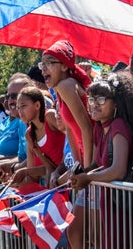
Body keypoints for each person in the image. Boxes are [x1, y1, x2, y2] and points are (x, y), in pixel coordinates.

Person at [39, 40, 93, 247]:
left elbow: (87, 128)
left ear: (64, 66)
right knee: (77, 233)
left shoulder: (66, 85)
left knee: (80, 232)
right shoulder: (61, 90)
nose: (43, 68)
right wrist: (76, 168)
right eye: (41, 63)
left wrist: (87, 171)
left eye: (49, 62)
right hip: (87, 163)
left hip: (95, 161)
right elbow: (71, 131)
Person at [70, 71, 133, 249]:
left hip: (120, 207)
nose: (94, 105)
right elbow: (98, 164)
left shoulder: (118, 126)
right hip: (108, 202)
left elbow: (118, 169)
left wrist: (88, 179)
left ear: (116, 104)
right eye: (92, 99)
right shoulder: (99, 127)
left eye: (101, 100)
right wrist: (81, 173)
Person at [9, 86, 65, 187]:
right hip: (55, 184)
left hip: (69, 178)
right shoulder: (29, 134)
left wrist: (25, 172)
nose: (20, 111)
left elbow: (71, 136)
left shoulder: (50, 117)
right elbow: (41, 172)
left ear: (37, 105)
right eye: (18, 107)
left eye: (23, 106)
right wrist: (9, 181)